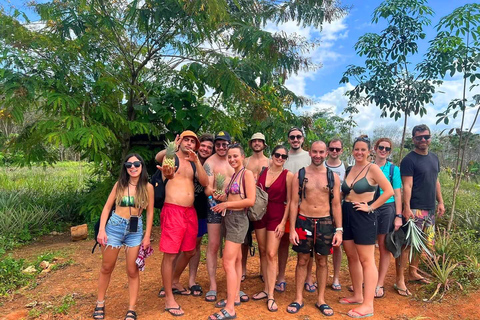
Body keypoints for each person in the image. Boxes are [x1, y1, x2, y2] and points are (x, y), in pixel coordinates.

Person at [93, 154, 154, 320]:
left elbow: (150, 213)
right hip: (114, 227)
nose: (133, 167)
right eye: (129, 164)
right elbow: (106, 208)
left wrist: (147, 235)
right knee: (107, 267)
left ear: (142, 166)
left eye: (136, 164)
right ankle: (100, 302)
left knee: (132, 270)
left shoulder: (147, 187)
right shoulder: (119, 185)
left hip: (135, 231)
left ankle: (131, 308)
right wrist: (101, 231)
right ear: (125, 168)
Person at [339, 135, 393, 319]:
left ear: (369, 151)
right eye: (356, 149)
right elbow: (343, 192)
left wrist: (371, 207)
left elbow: (389, 191)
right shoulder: (350, 168)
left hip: (364, 216)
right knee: (352, 256)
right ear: (352, 150)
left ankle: (368, 304)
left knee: (366, 259)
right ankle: (357, 294)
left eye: (363, 149)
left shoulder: (373, 168)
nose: (359, 152)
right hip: (347, 213)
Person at [287, 141, 343, 316]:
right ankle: (298, 298)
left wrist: (339, 229)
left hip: (325, 223)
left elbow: (336, 204)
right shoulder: (300, 175)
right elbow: (294, 202)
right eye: (314, 152)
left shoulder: (332, 177)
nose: (318, 155)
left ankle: (321, 299)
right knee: (302, 260)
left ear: (326, 153)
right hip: (304, 222)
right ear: (309, 153)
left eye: (321, 152)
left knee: (322, 261)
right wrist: (293, 229)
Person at [156, 134, 215, 298]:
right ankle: (168, 297)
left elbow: (204, 182)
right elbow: (163, 165)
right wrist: (170, 152)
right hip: (173, 209)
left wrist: (196, 161)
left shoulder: (193, 163)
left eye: (192, 141)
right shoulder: (170, 157)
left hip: (190, 211)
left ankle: (174, 280)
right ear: (179, 141)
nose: (189, 143)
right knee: (170, 254)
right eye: (186, 139)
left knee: (190, 251)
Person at [208, 144, 256, 320]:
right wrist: (223, 198)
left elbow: (250, 200)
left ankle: (230, 308)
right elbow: (235, 197)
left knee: (227, 262)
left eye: (235, 156)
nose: (232, 159)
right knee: (235, 260)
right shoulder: (234, 175)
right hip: (229, 218)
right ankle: (234, 297)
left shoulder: (247, 174)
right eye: (229, 156)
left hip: (238, 220)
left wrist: (227, 204)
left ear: (242, 156)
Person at [400, 125, 445, 285]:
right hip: (415, 209)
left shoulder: (434, 158)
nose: (423, 140)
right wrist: (406, 207)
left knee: (422, 244)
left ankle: (412, 272)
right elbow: (407, 185)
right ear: (413, 139)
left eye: (426, 137)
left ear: (430, 138)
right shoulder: (409, 160)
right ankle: (400, 279)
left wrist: (440, 201)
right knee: (408, 244)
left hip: (430, 208)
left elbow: (436, 181)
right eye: (419, 137)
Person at [251, 145, 293, 312]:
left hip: (276, 216)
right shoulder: (263, 171)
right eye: (278, 154)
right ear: (272, 155)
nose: (280, 158)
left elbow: (290, 201)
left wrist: (283, 222)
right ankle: (266, 288)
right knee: (262, 250)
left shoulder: (288, 175)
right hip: (260, 214)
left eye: (284, 156)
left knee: (271, 253)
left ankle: (271, 295)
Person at [275, 127, 312, 294]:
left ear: (303, 139)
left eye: (298, 137)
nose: (295, 139)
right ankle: (281, 276)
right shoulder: (282, 156)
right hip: (285, 205)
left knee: (307, 244)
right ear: (288, 139)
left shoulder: (309, 157)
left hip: (305, 206)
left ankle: (308, 278)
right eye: (292, 137)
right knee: (283, 242)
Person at [203, 131, 235, 303]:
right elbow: (207, 187)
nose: (222, 147)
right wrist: (215, 194)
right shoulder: (210, 162)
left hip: (233, 208)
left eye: (225, 144)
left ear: (230, 144)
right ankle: (213, 285)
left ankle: (236, 284)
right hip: (215, 206)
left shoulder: (234, 159)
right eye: (218, 144)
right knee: (214, 245)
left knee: (234, 245)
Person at [372, 138, 403, 298]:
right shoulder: (367, 166)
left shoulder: (393, 170)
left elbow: (397, 193)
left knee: (384, 246)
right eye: (381, 147)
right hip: (369, 207)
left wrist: (398, 215)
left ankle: (379, 283)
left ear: (390, 151)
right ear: (375, 148)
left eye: (387, 148)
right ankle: (368, 280)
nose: (383, 150)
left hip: (386, 209)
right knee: (367, 246)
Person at [243, 132, 270, 282]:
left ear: (264, 144)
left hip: (263, 206)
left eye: (260, 141)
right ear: (251, 144)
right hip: (246, 203)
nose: (257, 143)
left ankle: (263, 270)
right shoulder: (245, 161)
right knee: (244, 241)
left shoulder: (270, 161)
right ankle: (242, 269)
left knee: (263, 243)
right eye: (254, 141)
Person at [324, 138, 346, 291]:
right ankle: (318, 276)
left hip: (340, 210)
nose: (334, 152)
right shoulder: (321, 165)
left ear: (342, 151)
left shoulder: (347, 169)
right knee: (320, 244)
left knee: (337, 245)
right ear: (327, 150)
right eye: (332, 149)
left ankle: (336, 277)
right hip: (322, 211)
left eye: (337, 149)